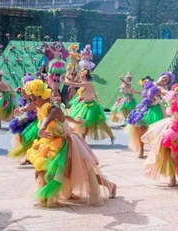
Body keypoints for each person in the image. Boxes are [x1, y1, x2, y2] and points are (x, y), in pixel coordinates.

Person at [24, 79, 116, 207]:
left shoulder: (54, 108)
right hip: (53, 141)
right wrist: (22, 110)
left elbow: (48, 119)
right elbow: (64, 117)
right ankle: (42, 194)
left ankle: (109, 185)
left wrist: (42, 129)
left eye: (34, 99)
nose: (33, 102)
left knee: (85, 172)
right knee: (40, 167)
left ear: (42, 96)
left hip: (68, 142)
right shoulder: (41, 105)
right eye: (31, 99)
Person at [126, 72, 174, 158]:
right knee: (141, 129)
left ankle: (156, 151)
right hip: (144, 108)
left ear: (166, 83)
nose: (164, 80)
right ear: (160, 76)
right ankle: (141, 149)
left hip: (155, 110)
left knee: (156, 131)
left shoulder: (161, 87)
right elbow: (143, 93)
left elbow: (164, 92)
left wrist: (170, 93)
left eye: (166, 80)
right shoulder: (149, 84)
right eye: (164, 77)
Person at [62, 70, 115, 144]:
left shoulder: (87, 84)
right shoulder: (85, 85)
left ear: (84, 77)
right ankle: (83, 140)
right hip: (85, 105)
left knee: (101, 122)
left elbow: (74, 84)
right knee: (82, 123)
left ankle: (112, 136)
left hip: (92, 107)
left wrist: (63, 82)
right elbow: (93, 93)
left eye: (81, 76)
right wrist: (97, 99)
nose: (80, 77)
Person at [8, 74, 38, 163]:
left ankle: (29, 157)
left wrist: (22, 109)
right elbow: (25, 108)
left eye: (25, 92)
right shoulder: (25, 98)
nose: (23, 94)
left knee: (30, 138)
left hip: (36, 120)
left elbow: (29, 107)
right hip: (28, 118)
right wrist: (19, 111)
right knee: (19, 132)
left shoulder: (35, 97)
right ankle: (27, 156)